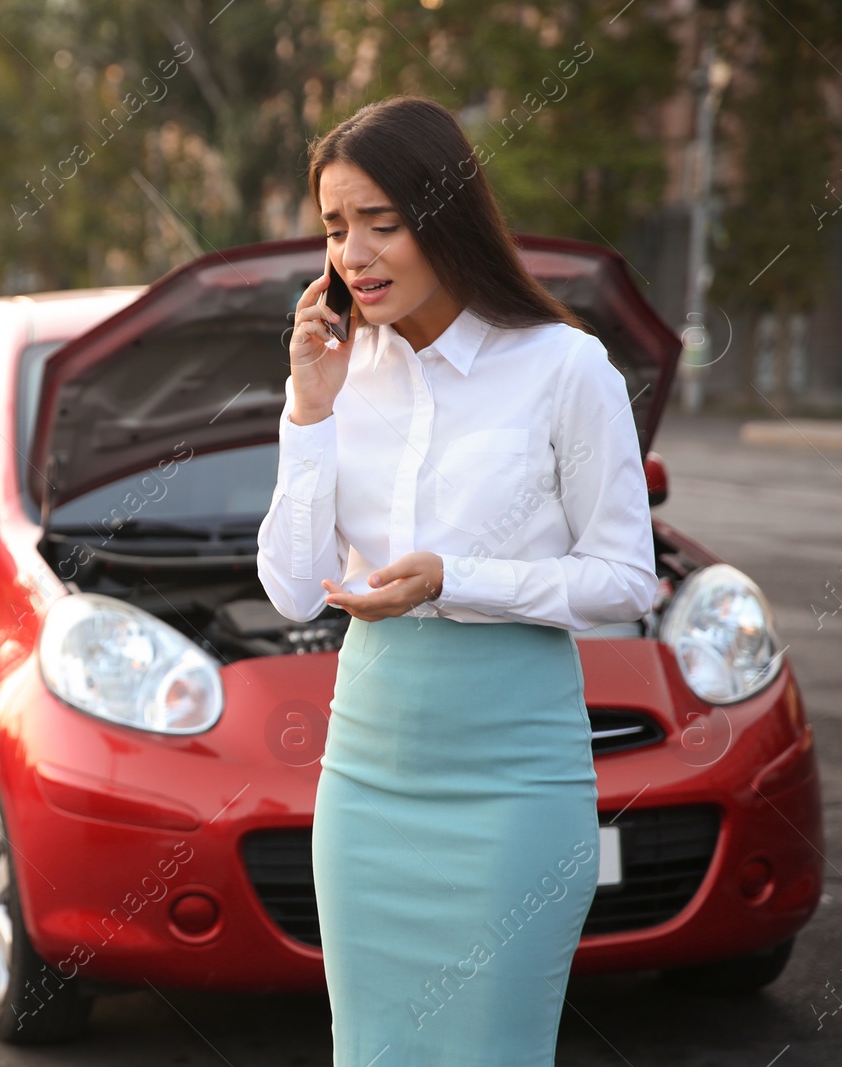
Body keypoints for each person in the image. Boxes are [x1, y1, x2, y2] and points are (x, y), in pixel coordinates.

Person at [256, 95, 658, 1066]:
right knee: (374, 1050)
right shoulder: (337, 375)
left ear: (445, 216)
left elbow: (624, 580)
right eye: (335, 228)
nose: (354, 253)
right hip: (365, 779)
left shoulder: (566, 369)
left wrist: (452, 578)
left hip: (514, 782)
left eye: (381, 224)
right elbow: (293, 589)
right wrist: (306, 410)